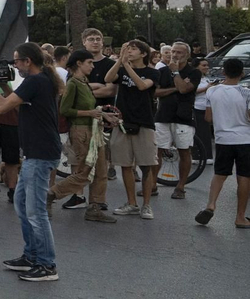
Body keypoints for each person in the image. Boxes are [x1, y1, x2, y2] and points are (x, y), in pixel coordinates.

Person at [0, 43, 63, 283]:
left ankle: (47, 265)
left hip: (40, 153)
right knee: (21, 203)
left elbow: (2, 106)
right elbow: (16, 100)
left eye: (17, 60)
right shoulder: (40, 80)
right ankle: (31, 256)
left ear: (28, 61)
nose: (14, 65)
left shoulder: (35, 81)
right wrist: (2, 85)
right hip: (35, 152)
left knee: (36, 212)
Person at [49, 50, 119, 223]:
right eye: (89, 62)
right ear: (79, 63)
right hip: (81, 131)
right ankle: (51, 194)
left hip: (93, 130)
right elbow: (65, 110)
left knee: (101, 171)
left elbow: (90, 107)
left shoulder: (84, 82)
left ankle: (95, 207)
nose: (92, 66)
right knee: (85, 172)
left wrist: (104, 115)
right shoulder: (73, 83)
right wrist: (90, 113)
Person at [107, 40, 160, 218]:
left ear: (143, 54)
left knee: (146, 165)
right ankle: (131, 203)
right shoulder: (122, 69)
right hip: (123, 122)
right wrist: (120, 61)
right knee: (125, 164)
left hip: (144, 123)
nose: (129, 51)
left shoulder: (153, 72)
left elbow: (142, 85)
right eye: (127, 48)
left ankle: (146, 205)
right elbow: (108, 79)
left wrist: (127, 66)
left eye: (133, 49)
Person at [196, 57, 250, 228]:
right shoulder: (246, 93)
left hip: (222, 139)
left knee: (219, 174)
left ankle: (211, 204)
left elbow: (208, 117)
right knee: (244, 177)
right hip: (244, 139)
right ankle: (240, 217)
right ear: (242, 73)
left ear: (223, 72)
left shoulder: (212, 91)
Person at [154, 42, 201, 200]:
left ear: (187, 55)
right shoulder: (162, 71)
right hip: (163, 115)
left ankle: (180, 187)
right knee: (157, 150)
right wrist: (174, 88)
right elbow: (155, 92)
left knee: (184, 151)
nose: (174, 55)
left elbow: (184, 89)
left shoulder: (194, 72)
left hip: (183, 117)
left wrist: (175, 73)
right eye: (173, 51)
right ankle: (152, 184)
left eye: (179, 52)